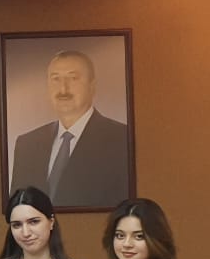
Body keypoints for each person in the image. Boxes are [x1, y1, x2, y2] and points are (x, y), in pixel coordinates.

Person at [9, 50, 130, 209]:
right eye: (56, 79)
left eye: (73, 78)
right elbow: (17, 209)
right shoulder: (27, 144)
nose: (63, 89)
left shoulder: (121, 139)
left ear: (92, 86)